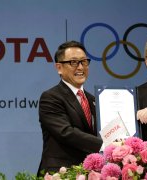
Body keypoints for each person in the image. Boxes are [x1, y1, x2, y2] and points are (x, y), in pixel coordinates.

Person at [37, 40, 103, 175]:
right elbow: (66, 132)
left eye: (84, 62)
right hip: (61, 173)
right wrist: (104, 144)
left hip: (90, 173)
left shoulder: (94, 100)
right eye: (73, 62)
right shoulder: (50, 97)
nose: (80, 67)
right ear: (59, 68)